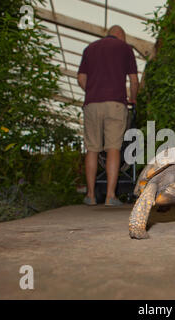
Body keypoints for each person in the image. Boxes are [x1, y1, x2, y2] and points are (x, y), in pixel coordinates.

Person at [77, 25, 139, 206]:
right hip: (116, 103)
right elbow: (134, 80)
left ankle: (90, 195)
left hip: (92, 104)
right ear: (121, 36)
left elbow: (81, 78)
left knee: (92, 149)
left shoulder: (89, 49)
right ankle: (110, 196)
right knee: (113, 148)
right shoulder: (125, 48)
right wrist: (133, 99)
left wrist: (92, 91)